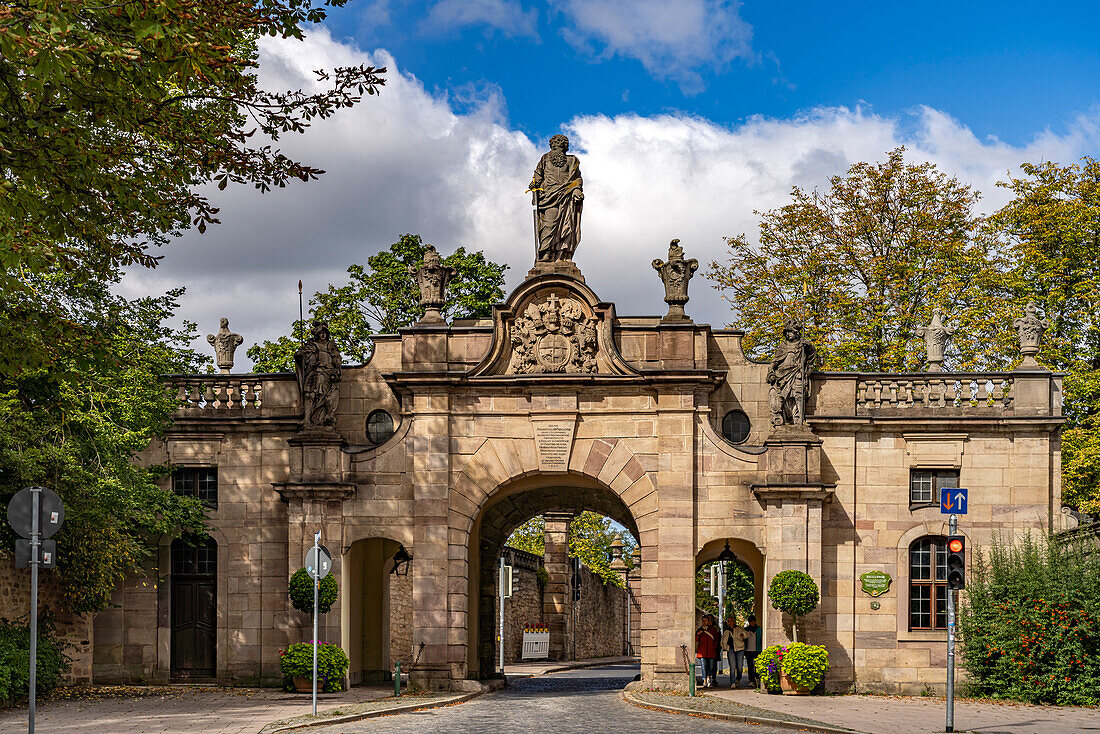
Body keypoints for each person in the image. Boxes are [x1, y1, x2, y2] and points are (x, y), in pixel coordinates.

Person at [721, 615, 749, 687]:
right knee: (732, 666)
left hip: (740, 649)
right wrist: (724, 647)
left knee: (740, 667)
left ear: (734, 621)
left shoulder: (739, 629)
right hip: (730, 650)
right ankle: (732, 682)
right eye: (728, 621)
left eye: (731, 621)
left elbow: (747, 634)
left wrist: (744, 635)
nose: (730, 622)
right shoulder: (726, 631)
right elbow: (723, 640)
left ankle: (738, 679)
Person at [695, 614, 721, 688]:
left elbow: (716, 639)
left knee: (711, 666)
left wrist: (714, 647)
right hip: (702, 651)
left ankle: (709, 676)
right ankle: (704, 680)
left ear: (708, 621)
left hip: (711, 651)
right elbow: (696, 640)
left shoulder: (713, 630)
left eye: (705, 621)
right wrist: (698, 634)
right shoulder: (699, 630)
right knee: (703, 666)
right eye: (703, 621)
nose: (703, 622)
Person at [744, 614, 763, 688]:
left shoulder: (759, 629)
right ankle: (751, 680)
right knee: (750, 666)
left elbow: (761, 639)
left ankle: (757, 679)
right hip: (748, 650)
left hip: (757, 650)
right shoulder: (746, 630)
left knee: (757, 666)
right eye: (751, 621)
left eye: (753, 621)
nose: (752, 623)